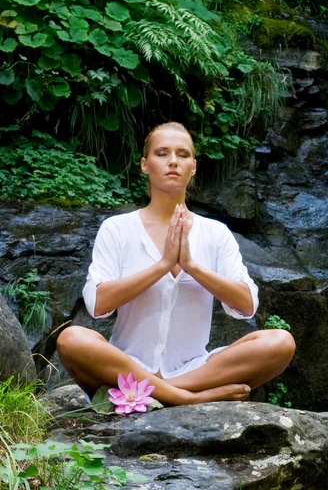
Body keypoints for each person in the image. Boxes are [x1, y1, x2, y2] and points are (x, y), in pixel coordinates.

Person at [57, 122, 295, 405]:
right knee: (72, 339)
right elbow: (97, 304)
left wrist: (191, 266)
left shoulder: (215, 233)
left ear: (193, 167)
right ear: (145, 164)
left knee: (280, 343)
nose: (173, 161)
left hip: (193, 370)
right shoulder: (117, 228)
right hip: (125, 366)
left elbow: (246, 305)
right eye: (162, 153)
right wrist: (163, 265)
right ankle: (188, 399)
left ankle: (161, 390)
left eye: (182, 154)